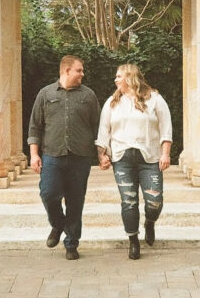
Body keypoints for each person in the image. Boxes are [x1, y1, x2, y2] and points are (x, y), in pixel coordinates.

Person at [27, 55, 100, 260]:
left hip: (80, 157)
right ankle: (58, 225)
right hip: (52, 155)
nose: (82, 74)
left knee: (76, 201)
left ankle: (71, 244)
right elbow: (35, 126)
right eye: (79, 70)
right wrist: (34, 155)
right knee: (48, 194)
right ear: (66, 70)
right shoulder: (45, 93)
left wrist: (102, 153)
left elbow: (98, 127)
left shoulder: (88, 96)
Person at [96, 63, 172, 259]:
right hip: (122, 159)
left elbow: (166, 127)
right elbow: (104, 130)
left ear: (130, 78)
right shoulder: (112, 102)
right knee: (128, 201)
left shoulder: (154, 99)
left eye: (119, 76)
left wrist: (165, 153)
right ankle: (133, 241)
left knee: (154, 201)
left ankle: (150, 222)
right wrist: (102, 154)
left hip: (150, 159)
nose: (115, 80)